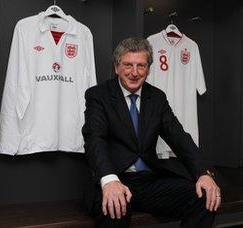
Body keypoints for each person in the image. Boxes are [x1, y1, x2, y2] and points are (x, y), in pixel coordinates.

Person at [82, 37, 221, 228]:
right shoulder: (98, 95)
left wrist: (203, 173)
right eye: (128, 65)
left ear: (148, 69)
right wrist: (110, 180)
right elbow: (94, 140)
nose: (134, 72)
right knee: (115, 206)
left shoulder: (156, 97)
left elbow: (179, 137)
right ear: (116, 67)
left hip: (148, 183)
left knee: (206, 196)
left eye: (141, 65)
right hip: (114, 179)